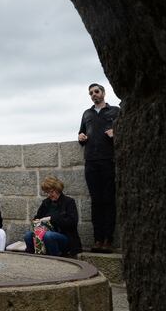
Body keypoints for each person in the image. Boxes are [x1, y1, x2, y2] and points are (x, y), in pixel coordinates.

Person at [78, 83, 120, 253]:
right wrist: (80, 137)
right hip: (91, 161)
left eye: (96, 91)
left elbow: (125, 130)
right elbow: (81, 133)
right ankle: (97, 240)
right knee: (96, 201)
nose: (94, 94)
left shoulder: (115, 111)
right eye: (91, 93)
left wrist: (116, 132)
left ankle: (108, 240)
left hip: (108, 160)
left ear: (103, 93)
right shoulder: (87, 114)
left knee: (108, 200)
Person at [24, 176, 82, 257]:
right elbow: (37, 217)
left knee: (48, 235)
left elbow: (72, 222)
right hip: (46, 234)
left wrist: (51, 218)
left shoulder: (69, 202)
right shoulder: (46, 203)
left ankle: (56, 258)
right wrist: (37, 221)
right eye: (47, 193)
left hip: (65, 237)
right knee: (28, 235)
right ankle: (34, 258)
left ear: (58, 189)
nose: (49, 195)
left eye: (51, 192)